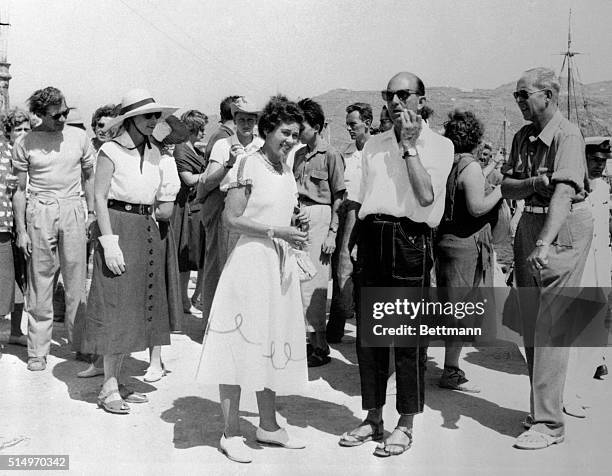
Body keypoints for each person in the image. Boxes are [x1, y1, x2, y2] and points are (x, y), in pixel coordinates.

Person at [340, 72, 453, 456]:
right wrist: (345, 250)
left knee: (407, 341)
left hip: (410, 241)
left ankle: (405, 423)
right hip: (372, 238)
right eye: (389, 94)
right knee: (370, 339)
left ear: (422, 99)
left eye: (403, 94)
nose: (395, 101)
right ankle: (373, 417)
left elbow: (425, 197)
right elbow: (357, 201)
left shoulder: (440, 145)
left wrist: (409, 147)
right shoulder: (372, 145)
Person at [197, 95, 308, 464]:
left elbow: (278, 209)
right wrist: (279, 230)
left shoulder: (285, 169)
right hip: (250, 264)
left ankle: (268, 425)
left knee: (270, 343)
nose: (290, 139)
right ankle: (231, 432)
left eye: (295, 133)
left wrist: (295, 224)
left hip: (278, 264)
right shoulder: (248, 163)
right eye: (284, 132)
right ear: (268, 131)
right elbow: (233, 218)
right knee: (238, 346)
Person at [501, 67, 592, 450]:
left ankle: (550, 424)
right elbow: (506, 184)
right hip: (530, 225)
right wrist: (536, 182)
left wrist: (543, 243)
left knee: (551, 325)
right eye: (517, 96)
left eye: (524, 95)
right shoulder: (523, 135)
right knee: (531, 321)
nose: (519, 101)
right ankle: (542, 409)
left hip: (561, 228)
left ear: (549, 96)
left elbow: (563, 194)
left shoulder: (567, 135)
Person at [79, 89, 185, 413]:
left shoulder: (155, 151)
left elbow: (178, 130)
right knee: (115, 306)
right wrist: (109, 242)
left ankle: (118, 379)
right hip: (118, 225)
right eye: (148, 116)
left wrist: (161, 124)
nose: (155, 121)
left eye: (157, 116)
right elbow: (98, 197)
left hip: (146, 226)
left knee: (136, 308)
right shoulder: (110, 150)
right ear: (130, 120)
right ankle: (107, 386)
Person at [12, 87, 96, 371]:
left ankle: (82, 345)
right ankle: (38, 350)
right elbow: (20, 190)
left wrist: (92, 214)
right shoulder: (26, 141)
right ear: (39, 115)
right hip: (40, 210)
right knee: (40, 283)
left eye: (65, 112)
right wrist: (22, 231)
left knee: (76, 284)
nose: (62, 118)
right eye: (55, 115)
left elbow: (89, 178)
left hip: (73, 209)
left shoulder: (79, 137)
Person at [436, 109, 503, 392]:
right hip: (465, 247)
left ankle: (451, 366)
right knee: (460, 312)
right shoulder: (471, 167)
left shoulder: (446, 163)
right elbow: (476, 207)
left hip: (446, 243)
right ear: (475, 137)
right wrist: (503, 190)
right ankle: (450, 370)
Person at [198, 97, 263, 324]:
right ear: (234, 120)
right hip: (226, 205)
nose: (246, 123)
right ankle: (214, 322)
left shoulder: (261, 145)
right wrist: (229, 162)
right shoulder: (223, 145)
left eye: (251, 119)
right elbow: (208, 182)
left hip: (254, 209)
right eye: (242, 119)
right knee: (219, 264)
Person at [293, 98, 345, 367]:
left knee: (316, 284)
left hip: (321, 217)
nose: (297, 131)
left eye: (302, 126)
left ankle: (320, 346)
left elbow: (339, 197)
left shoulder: (331, 155)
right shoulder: (299, 155)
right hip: (300, 218)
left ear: (316, 126)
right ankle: (307, 341)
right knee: (299, 282)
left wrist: (332, 233)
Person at [563, 137, 612, 417]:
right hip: (577, 267)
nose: (600, 166)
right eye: (595, 160)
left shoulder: (604, 187)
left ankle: (578, 390)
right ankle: (566, 392)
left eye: (604, 162)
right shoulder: (573, 188)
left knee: (595, 331)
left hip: (600, 266)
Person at [327, 102, 372, 343]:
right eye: (347, 125)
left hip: (368, 217)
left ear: (368, 123)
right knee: (341, 271)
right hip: (347, 215)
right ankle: (335, 330)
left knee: (364, 275)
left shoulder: (378, 152)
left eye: (353, 124)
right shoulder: (345, 152)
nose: (350, 129)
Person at [171, 109, 208, 315]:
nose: (203, 133)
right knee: (185, 255)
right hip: (185, 207)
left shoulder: (195, 150)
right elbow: (188, 179)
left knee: (201, 253)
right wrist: (209, 173)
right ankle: (182, 297)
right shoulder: (181, 151)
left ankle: (197, 296)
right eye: (200, 129)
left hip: (198, 206)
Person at [1, 109, 31, 347]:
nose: (22, 134)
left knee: (21, 279)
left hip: (24, 223)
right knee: (4, 280)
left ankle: (15, 331)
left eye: (26, 129)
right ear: (8, 131)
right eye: (17, 129)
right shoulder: (3, 152)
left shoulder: (30, 152)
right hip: (6, 223)